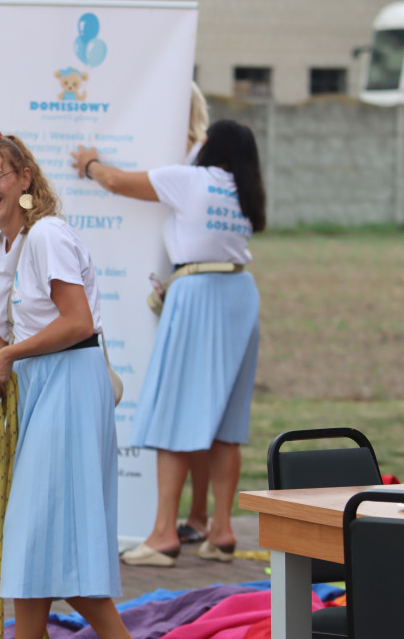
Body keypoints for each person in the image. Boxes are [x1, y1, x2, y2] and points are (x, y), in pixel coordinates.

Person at [70, 119, 266, 568]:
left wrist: (89, 163)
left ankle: (162, 535)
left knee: (172, 414)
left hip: (197, 293)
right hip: (240, 293)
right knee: (226, 426)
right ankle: (221, 529)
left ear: (208, 148)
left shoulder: (190, 179)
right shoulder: (246, 190)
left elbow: (118, 182)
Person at [0, 132, 133, 639]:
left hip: (72, 382)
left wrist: (9, 354)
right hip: (35, 389)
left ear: (24, 178)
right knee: (32, 546)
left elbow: (78, 322)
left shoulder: (48, 236)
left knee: (39, 540)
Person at [175, 81, 212, 546]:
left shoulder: (203, 155)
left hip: (190, 285)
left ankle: (200, 513)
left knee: (195, 410)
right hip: (161, 284)